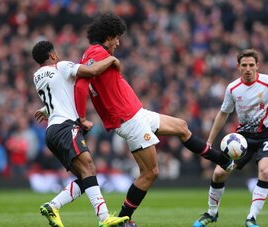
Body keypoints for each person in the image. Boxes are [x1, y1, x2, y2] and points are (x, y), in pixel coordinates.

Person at [73, 12, 234, 226]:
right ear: (109, 36)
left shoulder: (93, 54)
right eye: (117, 37)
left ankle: (224, 161)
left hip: (137, 113)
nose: (119, 42)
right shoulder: (96, 52)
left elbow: (83, 79)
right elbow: (82, 83)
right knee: (150, 172)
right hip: (128, 119)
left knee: (181, 127)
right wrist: (81, 116)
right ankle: (123, 219)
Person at [192, 49, 268, 227]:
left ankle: (251, 218)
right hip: (242, 140)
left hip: (267, 136)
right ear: (238, 67)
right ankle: (211, 213)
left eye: (251, 65)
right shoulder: (233, 88)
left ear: (257, 65)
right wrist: (210, 141)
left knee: (266, 171)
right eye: (244, 65)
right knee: (219, 173)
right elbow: (222, 114)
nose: (248, 68)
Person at [31, 40, 129, 227]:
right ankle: (104, 218)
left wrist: (45, 110)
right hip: (66, 127)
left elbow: (57, 94)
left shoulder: (37, 76)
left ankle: (53, 206)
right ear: (52, 55)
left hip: (52, 131)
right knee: (89, 167)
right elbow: (91, 71)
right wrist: (111, 59)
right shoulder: (61, 66)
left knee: (86, 177)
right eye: (56, 52)